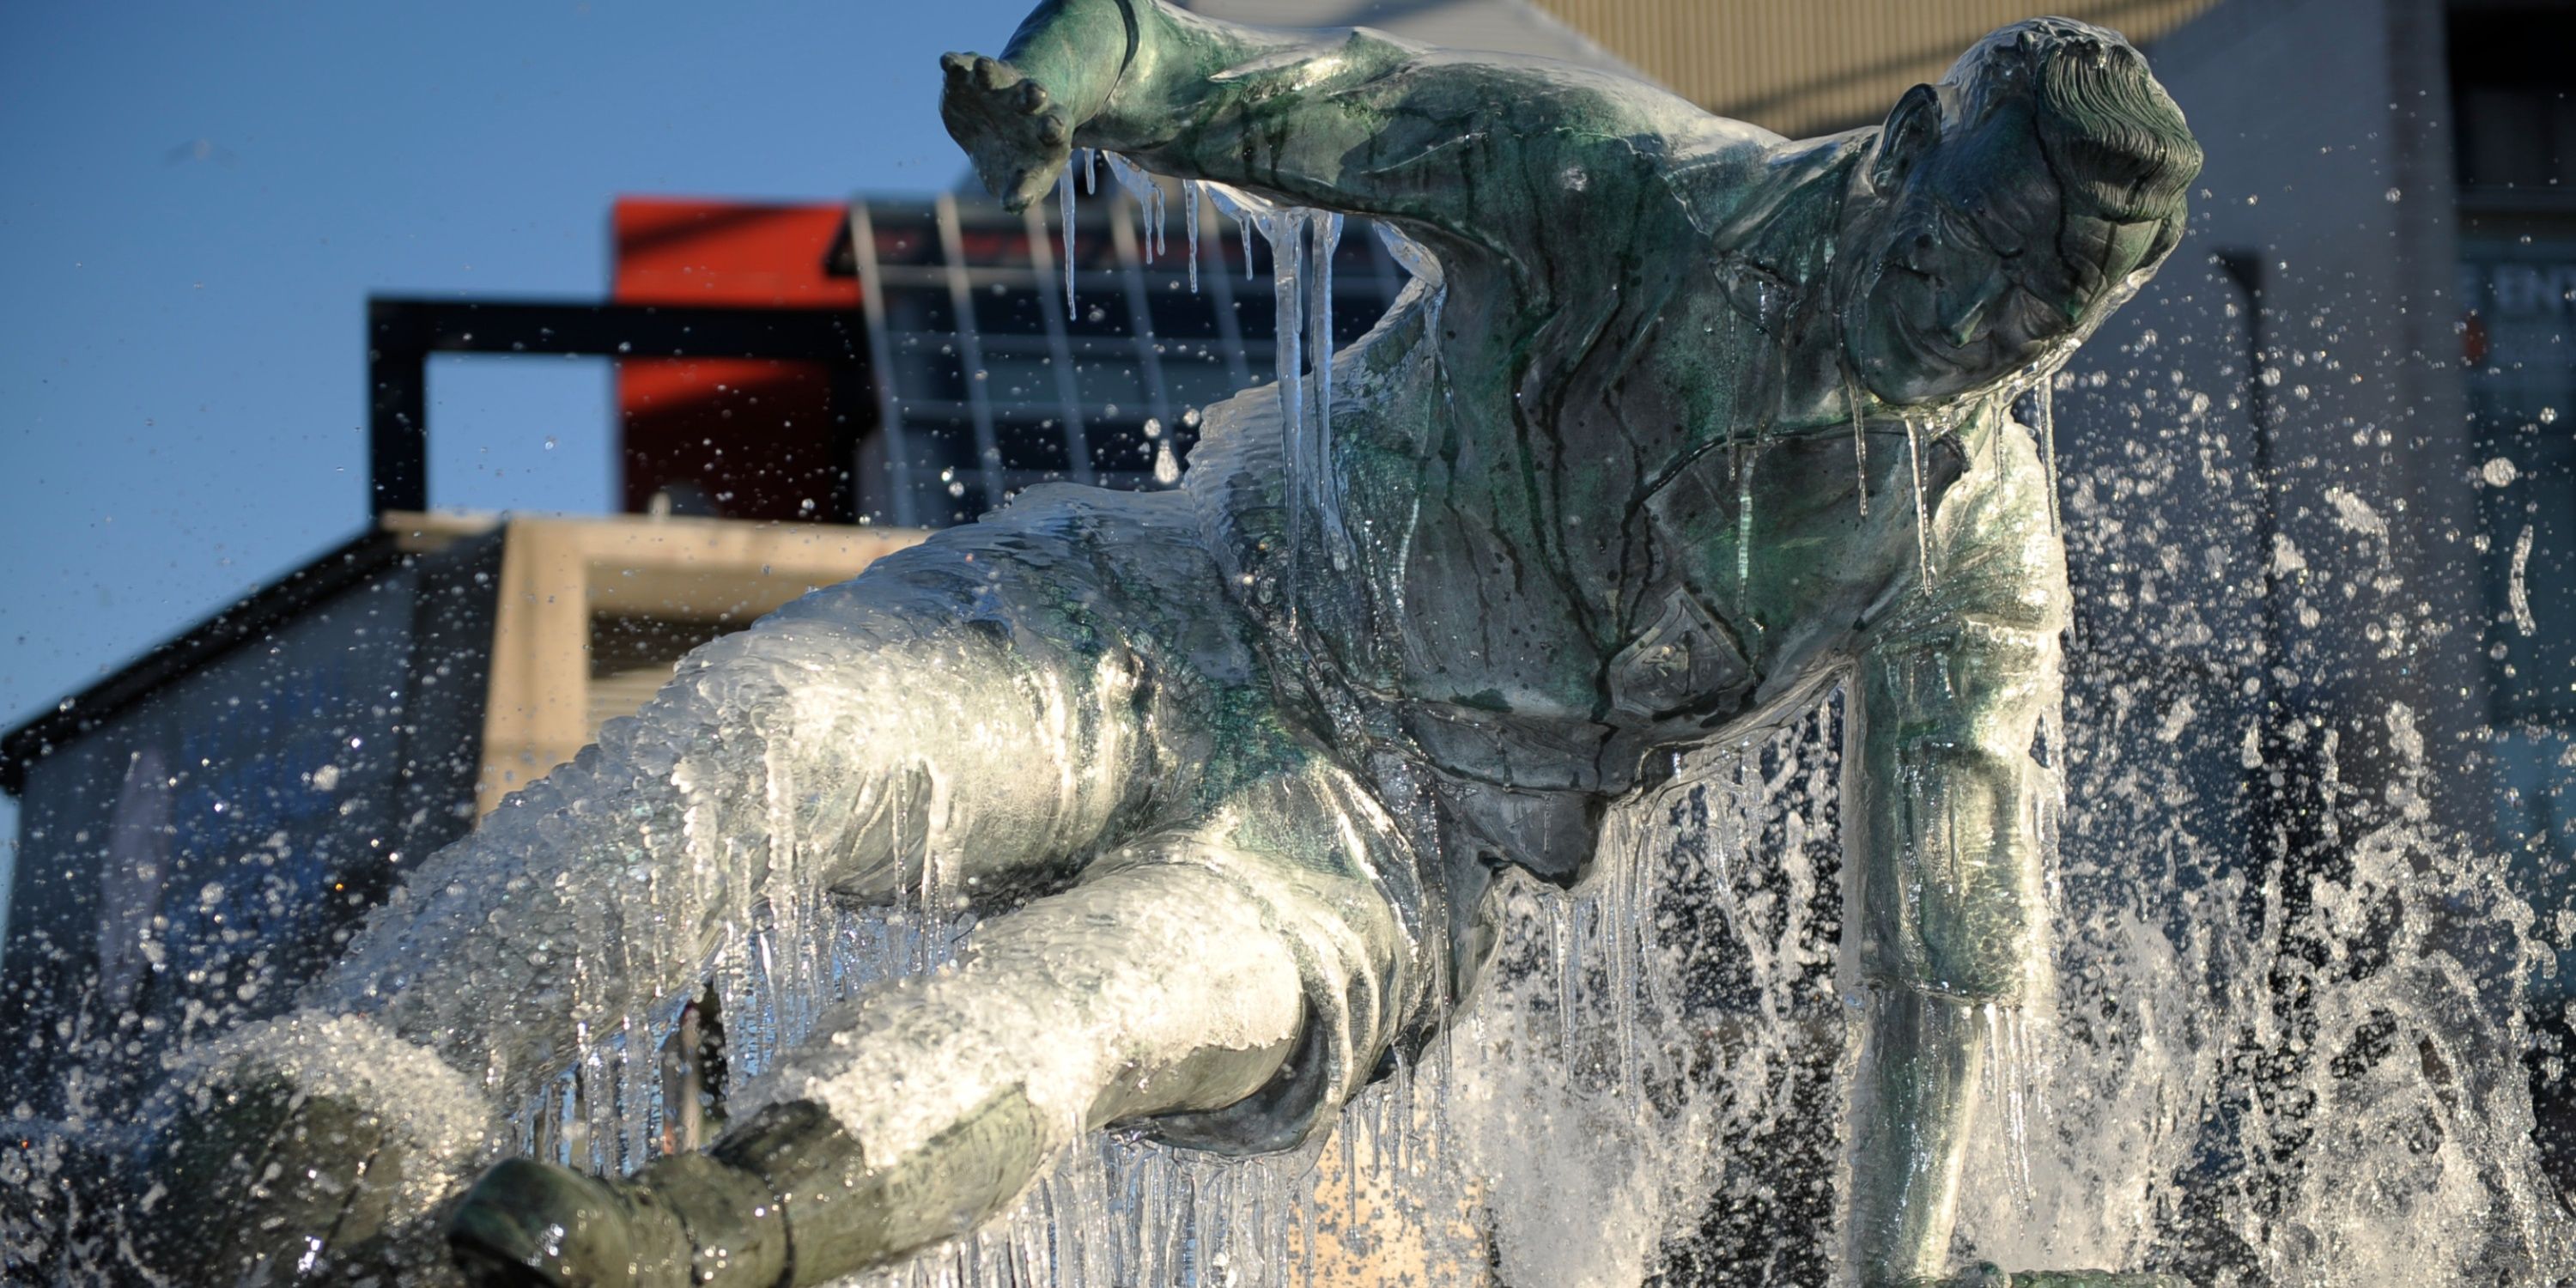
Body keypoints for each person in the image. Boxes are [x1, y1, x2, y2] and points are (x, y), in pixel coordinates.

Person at [138, 4, 2198, 1285]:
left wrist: (1901, 1274)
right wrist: (1067, 83)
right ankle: (352, 1100)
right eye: (1952, 268)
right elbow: (1258, 89)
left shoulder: (1971, 551)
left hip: (1384, 857)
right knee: (765, 733)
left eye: (2026, 333)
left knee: (1083, 1005)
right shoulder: (1620, 190)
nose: (1958, 339)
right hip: (1179, 612)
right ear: (1912, 146)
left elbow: (1945, 954)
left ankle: (681, 1243)